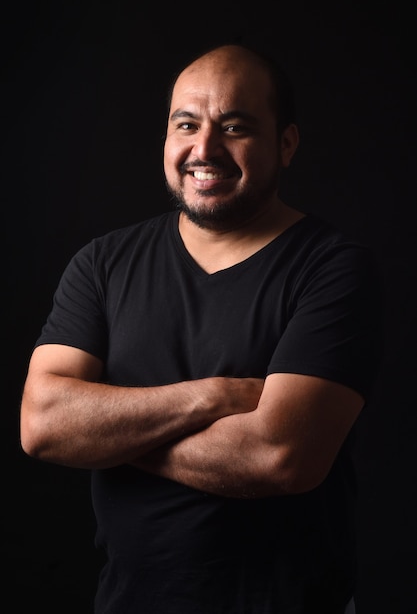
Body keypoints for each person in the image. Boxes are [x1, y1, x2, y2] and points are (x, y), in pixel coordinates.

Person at [20, 43, 383, 614]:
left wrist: (105, 437)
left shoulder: (333, 268)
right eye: (186, 124)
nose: (204, 149)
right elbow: (42, 424)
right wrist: (215, 396)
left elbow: (281, 457)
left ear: (286, 144)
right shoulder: (103, 263)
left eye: (234, 126)